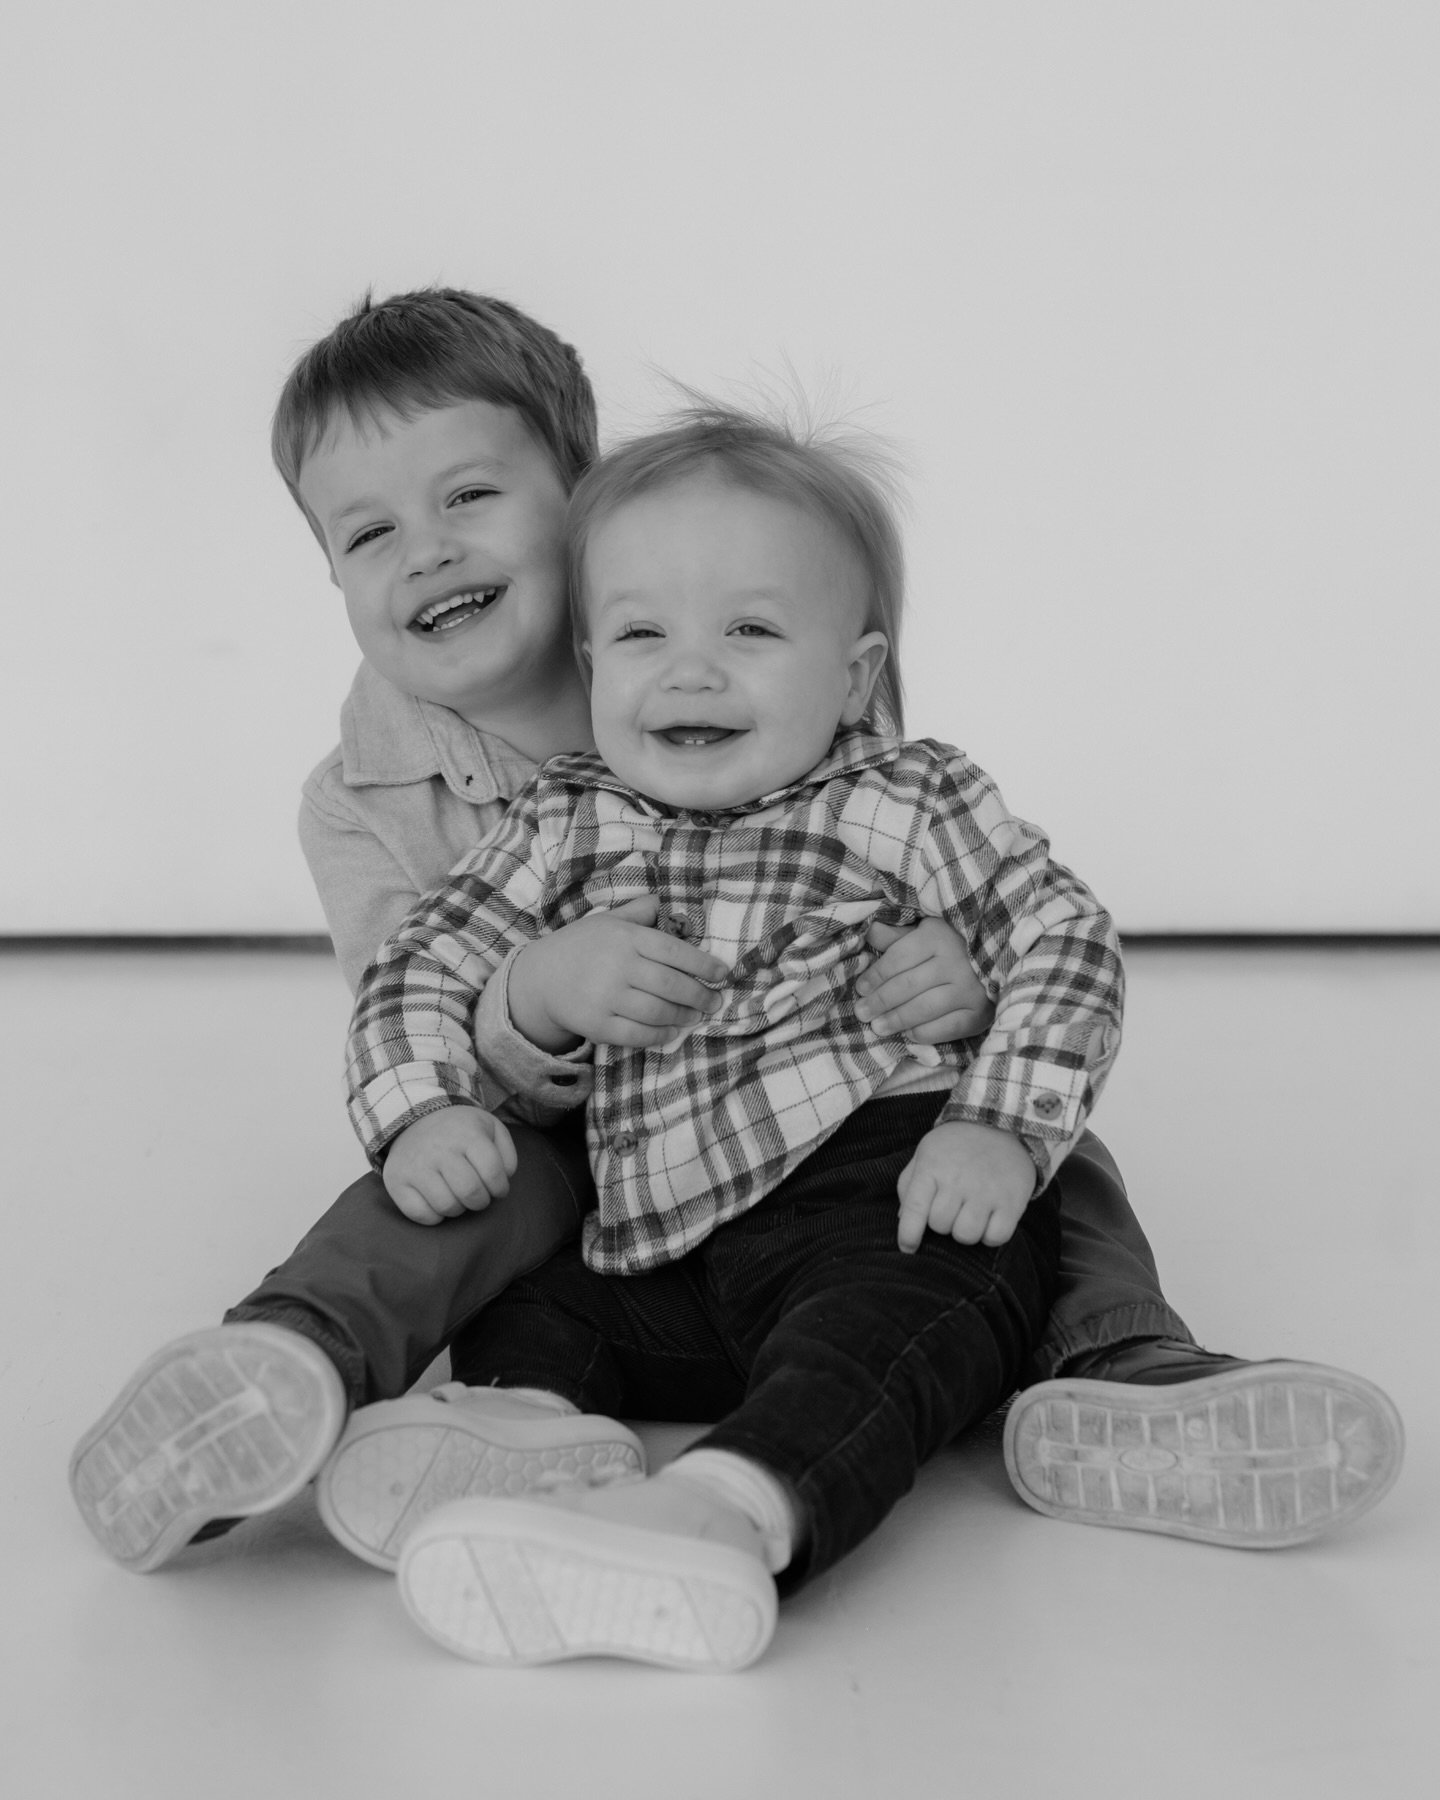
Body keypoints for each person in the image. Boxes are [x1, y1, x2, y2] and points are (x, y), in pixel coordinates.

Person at [68, 288, 1402, 1583]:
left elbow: (966, 883)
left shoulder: (759, 628)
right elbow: (407, 994)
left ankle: (1119, 1365)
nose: (426, 550)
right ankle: (294, 1368)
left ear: (584, 502)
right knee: (459, 1199)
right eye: (369, 534)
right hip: (578, 1142)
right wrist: (531, 1001)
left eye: (469, 497)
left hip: (842, 1111)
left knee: (1032, 1157)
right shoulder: (392, 803)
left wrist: (967, 985)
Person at [344, 402, 1117, 1669]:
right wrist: (419, 1106)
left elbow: (1064, 937)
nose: (690, 672)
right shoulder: (564, 820)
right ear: (593, 665)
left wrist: (997, 1126)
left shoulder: (903, 797)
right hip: (649, 1242)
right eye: (642, 634)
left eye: (750, 631)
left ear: (853, 678)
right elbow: (419, 962)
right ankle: (528, 1432)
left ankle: (726, 1509)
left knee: (923, 1302)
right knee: (535, 1288)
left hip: (869, 1183)